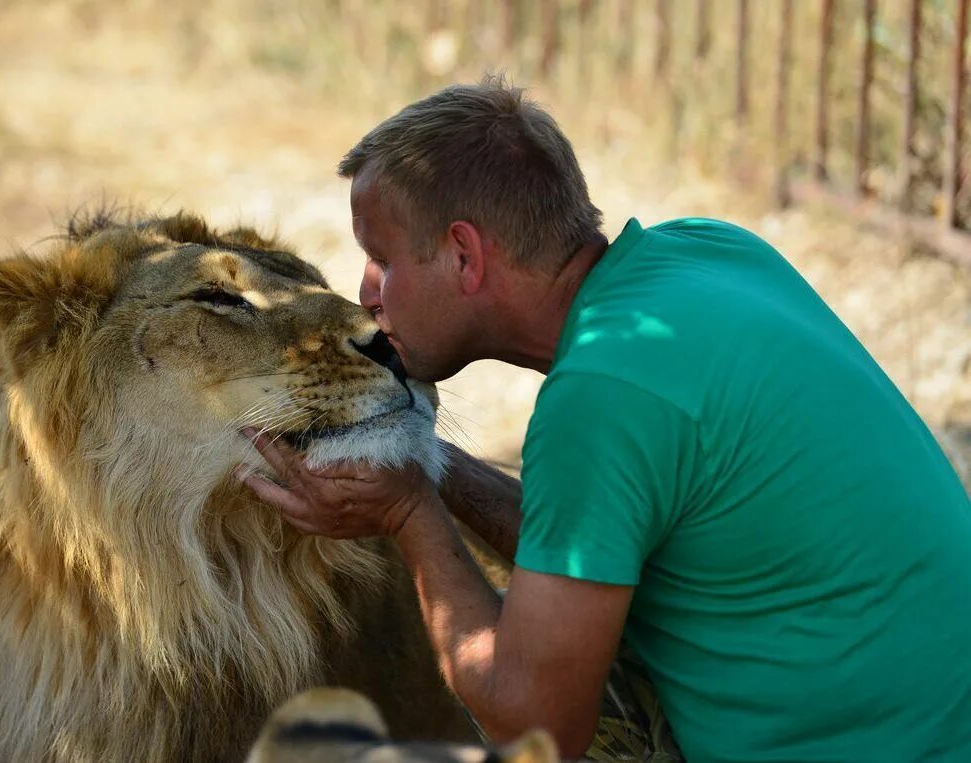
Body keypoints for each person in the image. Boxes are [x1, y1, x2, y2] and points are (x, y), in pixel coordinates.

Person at [240, 76, 971, 763]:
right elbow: (601, 535)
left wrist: (409, 514)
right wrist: (428, 459)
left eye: (381, 258)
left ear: (463, 255)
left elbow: (534, 722)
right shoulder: (706, 251)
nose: (365, 293)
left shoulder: (601, 393)